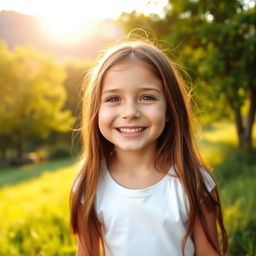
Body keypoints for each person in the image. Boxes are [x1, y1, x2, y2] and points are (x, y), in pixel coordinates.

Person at [70, 39, 228, 256]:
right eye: (114, 98)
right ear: (96, 111)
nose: (130, 112)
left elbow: (208, 252)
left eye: (147, 97)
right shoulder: (89, 184)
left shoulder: (193, 180)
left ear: (170, 110)